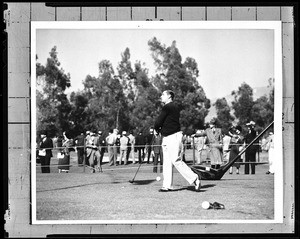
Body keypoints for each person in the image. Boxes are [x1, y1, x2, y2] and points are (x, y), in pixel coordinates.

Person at [154, 90, 201, 192]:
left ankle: (194, 178)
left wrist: (156, 129)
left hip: (173, 136)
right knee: (166, 162)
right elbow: (165, 122)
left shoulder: (168, 106)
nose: (161, 96)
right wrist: (159, 130)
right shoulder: (173, 107)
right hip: (166, 137)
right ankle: (167, 185)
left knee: (176, 160)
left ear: (169, 96)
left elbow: (159, 121)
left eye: (163, 94)